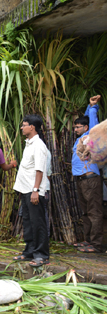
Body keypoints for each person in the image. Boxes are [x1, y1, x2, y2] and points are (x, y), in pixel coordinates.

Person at [13, 114, 50, 267]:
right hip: (26, 190)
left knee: (38, 223)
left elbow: (39, 170)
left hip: (34, 191)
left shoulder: (39, 145)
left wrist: (35, 190)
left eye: (24, 125)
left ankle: (41, 255)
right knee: (28, 222)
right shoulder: (29, 144)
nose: (22, 127)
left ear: (32, 127)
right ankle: (29, 251)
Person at [72, 95, 103, 253]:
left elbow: (91, 122)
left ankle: (97, 244)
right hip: (82, 180)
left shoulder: (91, 136)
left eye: (78, 127)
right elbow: (86, 119)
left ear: (86, 128)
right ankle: (88, 240)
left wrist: (92, 107)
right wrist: (87, 109)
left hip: (90, 179)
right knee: (85, 212)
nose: (75, 129)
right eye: (75, 127)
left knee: (94, 212)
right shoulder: (81, 139)